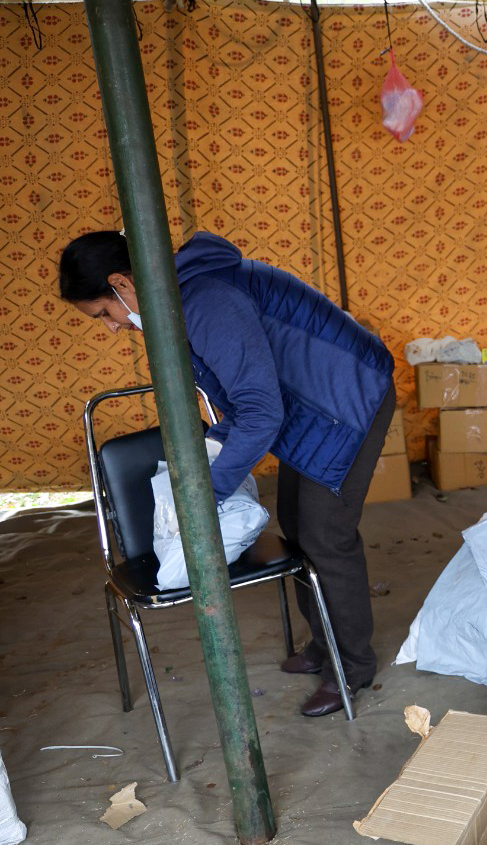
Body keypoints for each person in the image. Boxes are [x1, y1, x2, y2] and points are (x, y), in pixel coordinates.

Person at [60, 230, 396, 717]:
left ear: (121, 283)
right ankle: (326, 644)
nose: (112, 327)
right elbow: (241, 397)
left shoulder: (204, 299)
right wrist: (216, 448)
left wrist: (210, 491)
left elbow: (261, 411)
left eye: (104, 313)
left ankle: (350, 666)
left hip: (347, 398)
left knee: (326, 536)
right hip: (311, 402)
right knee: (298, 525)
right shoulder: (180, 297)